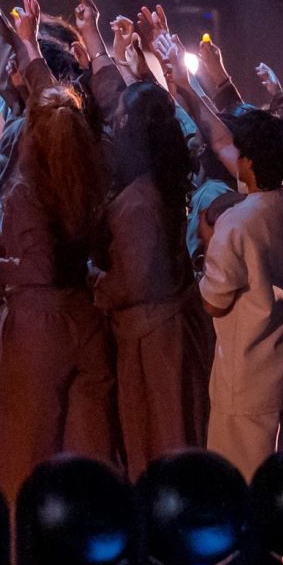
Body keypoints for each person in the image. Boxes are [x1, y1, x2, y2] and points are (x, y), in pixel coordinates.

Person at [0, 83, 117, 506]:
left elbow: (37, 269)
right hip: (85, 319)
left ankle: (22, 546)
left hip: (38, 328)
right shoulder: (88, 181)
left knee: (23, 458)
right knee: (90, 462)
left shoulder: (27, 192)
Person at [97, 81, 215, 466]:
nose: (113, 126)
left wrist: (95, 283)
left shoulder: (139, 202)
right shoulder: (160, 184)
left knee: (163, 444)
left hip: (154, 343)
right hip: (162, 332)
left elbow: (134, 281)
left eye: (120, 119)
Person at [199, 105, 283, 480]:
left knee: (242, 485)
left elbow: (213, 303)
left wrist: (208, 242)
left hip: (246, 379)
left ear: (251, 161)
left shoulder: (236, 224)